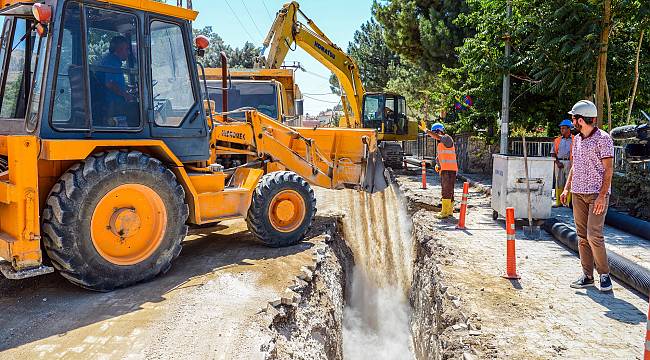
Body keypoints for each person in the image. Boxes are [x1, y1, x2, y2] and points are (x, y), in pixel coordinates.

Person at [561, 100, 614, 292]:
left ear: (580, 120)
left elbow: (608, 170)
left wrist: (601, 196)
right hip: (578, 194)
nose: (571, 121)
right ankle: (587, 276)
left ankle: (605, 275)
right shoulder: (577, 140)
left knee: (594, 235)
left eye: (573, 118)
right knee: (582, 237)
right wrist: (567, 188)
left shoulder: (604, 139)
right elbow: (576, 166)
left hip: (596, 196)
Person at [95, 35, 134, 127]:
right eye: (127, 49)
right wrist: (126, 95)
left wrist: (126, 88)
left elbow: (111, 82)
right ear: (119, 49)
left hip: (110, 103)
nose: (128, 53)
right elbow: (110, 84)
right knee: (138, 110)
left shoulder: (109, 60)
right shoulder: (111, 61)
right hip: (113, 105)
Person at [424, 122, 458, 219]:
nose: (434, 136)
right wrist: (438, 164)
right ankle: (450, 211)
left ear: (440, 131)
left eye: (435, 132)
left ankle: (444, 212)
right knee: (449, 190)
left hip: (449, 170)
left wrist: (427, 131)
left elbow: (438, 137)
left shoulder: (446, 138)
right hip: (446, 170)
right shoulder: (441, 144)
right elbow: (440, 157)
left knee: (446, 190)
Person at [551, 119, 574, 207]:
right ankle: (559, 202)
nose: (562, 130)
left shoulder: (575, 139)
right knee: (558, 182)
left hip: (570, 162)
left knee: (569, 182)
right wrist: (557, 162)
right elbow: (553, 153)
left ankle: (568, 202)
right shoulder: (557, 140)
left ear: (569, 129)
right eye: (561, 128)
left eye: (564, 128)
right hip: (559, 162)